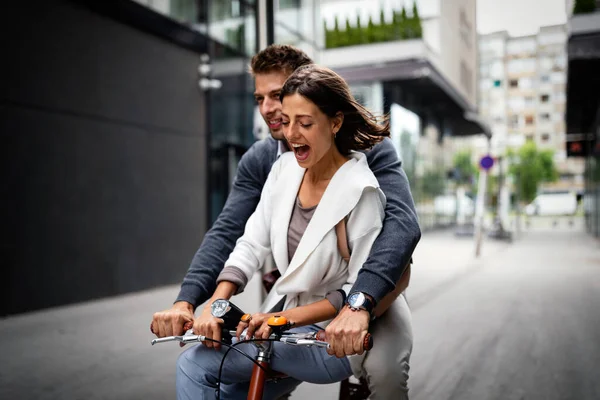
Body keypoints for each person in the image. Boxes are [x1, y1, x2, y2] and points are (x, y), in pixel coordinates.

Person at [151, 45, 421, 399]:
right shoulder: (269, 163)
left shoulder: (368, 157)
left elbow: (401, 228)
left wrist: (359, 305)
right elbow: (234, 235)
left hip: (374, 291)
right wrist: (192, 302)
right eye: (259, 98)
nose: (268, 109)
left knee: (383, 371)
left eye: (277, 95)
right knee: (240, 377)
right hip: (291, 291)